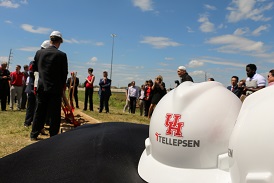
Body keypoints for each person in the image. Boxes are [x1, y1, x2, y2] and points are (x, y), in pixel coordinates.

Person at [30, 30, 68, 140]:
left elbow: (35, 68)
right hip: (55, 89)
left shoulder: (39, 53)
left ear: (50, 39)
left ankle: (34, 134)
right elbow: (63, 73)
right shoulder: (61, 55)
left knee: (39, 111)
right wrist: (61, 86)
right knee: (54, 114)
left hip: (42, 87)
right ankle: (53, 137)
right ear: (59, 42)